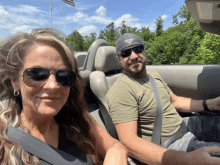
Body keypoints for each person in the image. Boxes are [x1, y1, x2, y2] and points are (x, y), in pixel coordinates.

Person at [0, 28, 128, 165]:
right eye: (36, 74)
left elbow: (115, 146)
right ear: (15, 82)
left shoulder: (78, 118)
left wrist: (116, 153)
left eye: (64, 76)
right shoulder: (4, 136)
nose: (53, 85)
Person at [106, 33, 220, 165]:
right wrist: (189, 159)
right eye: (126, 53)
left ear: (144, 50)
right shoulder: (121, 89)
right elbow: (129, 142)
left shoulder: (153, 75)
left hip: (184, 126)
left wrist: (212, 104)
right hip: (171, 144)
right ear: (118, 58)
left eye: (137, 49)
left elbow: (175, 101)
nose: (133, 56)